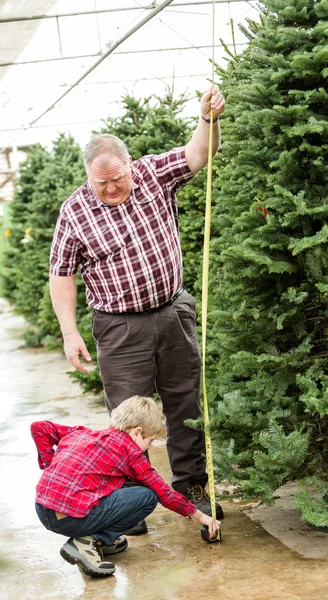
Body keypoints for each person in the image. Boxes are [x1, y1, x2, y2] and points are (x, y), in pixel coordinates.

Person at [49, 84, 225, 528]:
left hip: (173, 310)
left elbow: (199, 154)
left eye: (117, 178)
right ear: (88, 176)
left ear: (130, 164)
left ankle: (191, 486)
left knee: (185, 403)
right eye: (100, 182)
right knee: (129, 413)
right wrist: (70, 332)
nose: (110, 188)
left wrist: (208, 119)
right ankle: (127, 502)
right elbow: (61, 274)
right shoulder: (75, 211)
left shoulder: (154, 174)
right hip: (119, 325)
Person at [32, 395, 221, 578]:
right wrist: (201, 516)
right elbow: (164, 494)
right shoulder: (130, 451)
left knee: (112, 490)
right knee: (147, 497)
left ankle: (96, 540)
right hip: (69, 518)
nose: (149, 446)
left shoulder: (83, 433)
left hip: (43, 509)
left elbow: (40, 427)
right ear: (137, 432)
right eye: (150, 440)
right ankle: (87, 541)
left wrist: (51, 466)